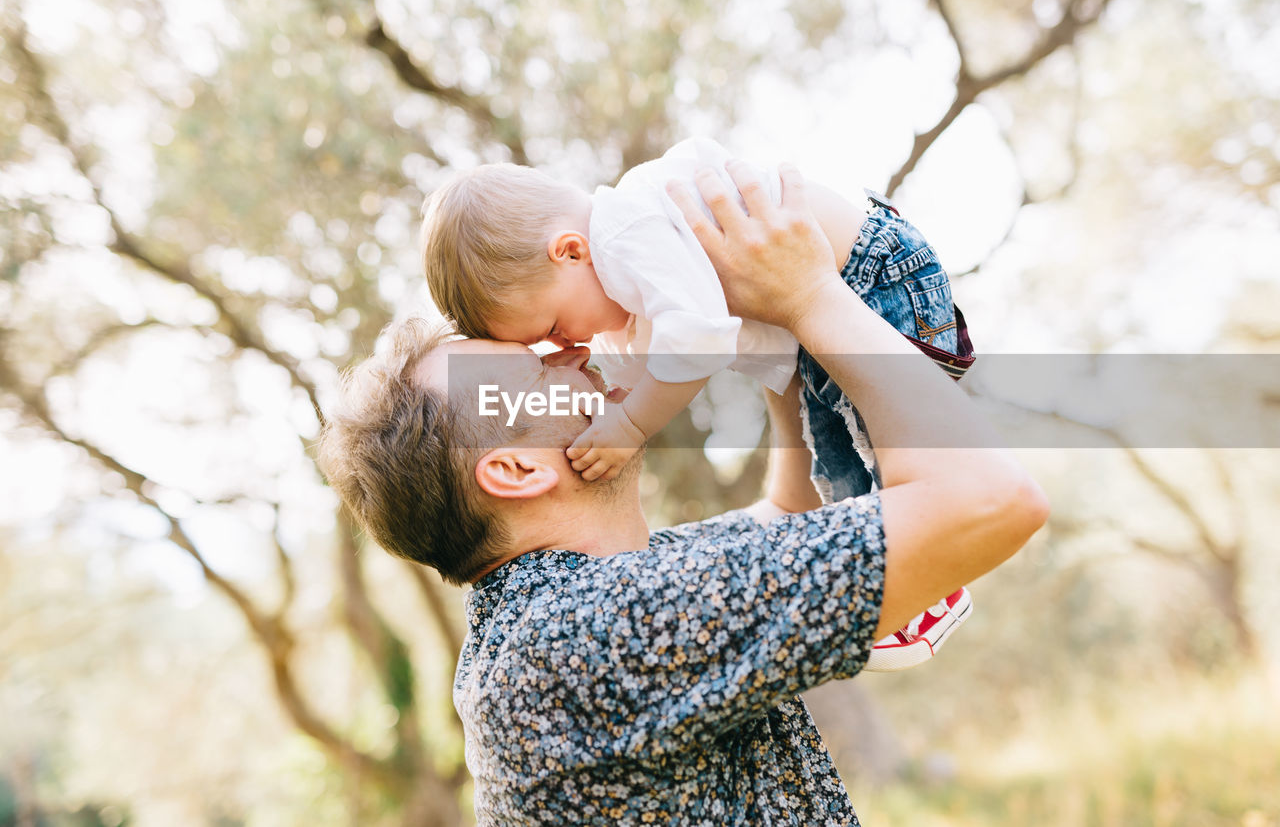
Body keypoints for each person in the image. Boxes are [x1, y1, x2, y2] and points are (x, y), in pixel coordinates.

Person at [317, 161, 1049, 824]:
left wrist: (776, 351)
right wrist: (812, 295)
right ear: (514, 469)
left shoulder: (569, 611)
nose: (573, 361)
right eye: (540, 370)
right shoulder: (587, 634)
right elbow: (992, 498)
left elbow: (786, 522)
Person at [421, 137, 976, 670]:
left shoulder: (629, 234)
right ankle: (903, 582)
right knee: (834, 457)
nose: (570, 349)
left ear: (571, 251)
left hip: (871, 277)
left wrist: (631, 423)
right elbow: (664, 355)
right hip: (836, 301)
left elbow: (699, 339)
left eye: (555, 328)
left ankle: (930, 574)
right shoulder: (617, 263)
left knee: (873, 441)